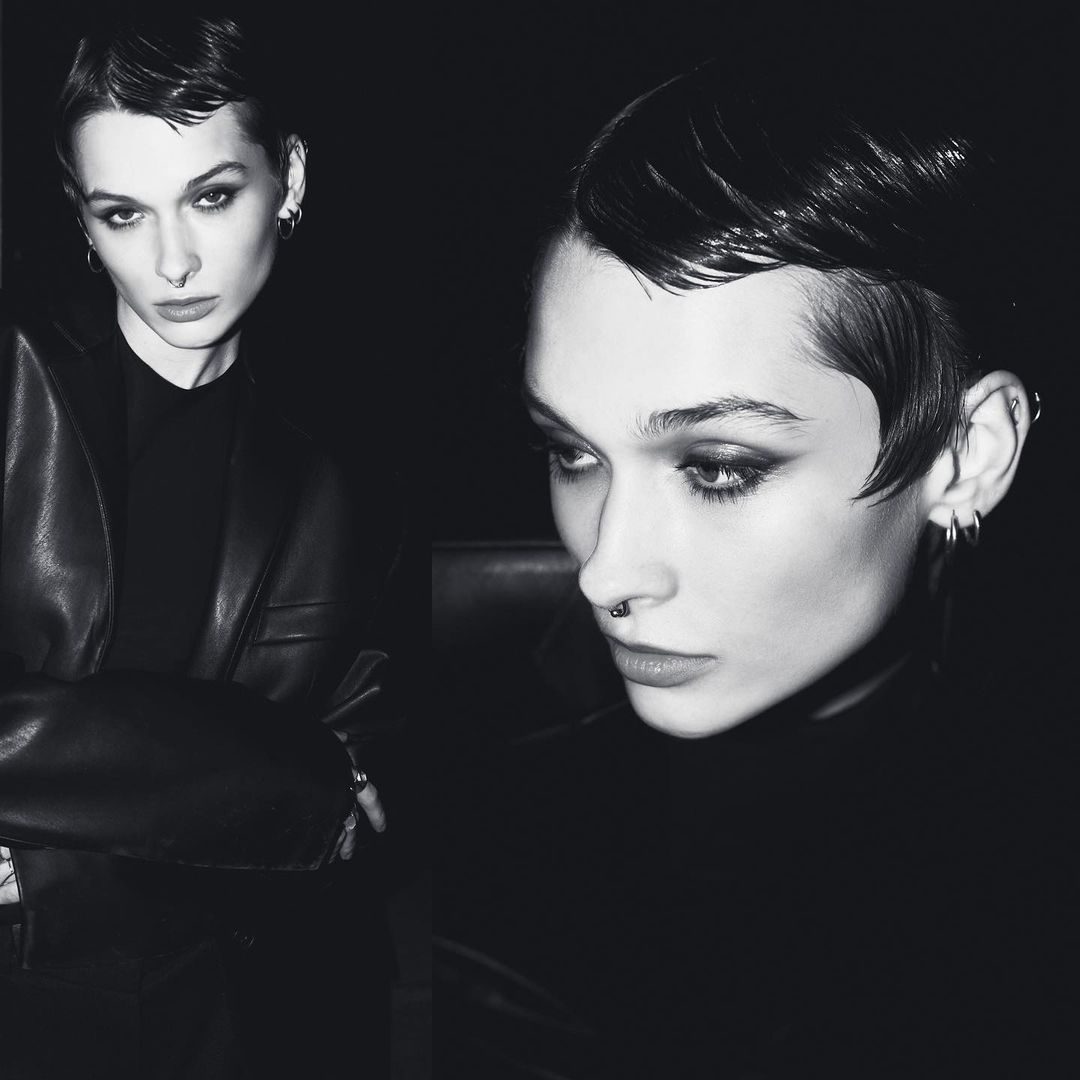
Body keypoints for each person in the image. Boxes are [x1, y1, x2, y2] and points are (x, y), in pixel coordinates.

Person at [439, 61, 1075, 1077]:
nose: (606, 571)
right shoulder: (477, 841)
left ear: (966, 455)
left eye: (720, 469)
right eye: (571, 453)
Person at [0, 14, 399, 1079]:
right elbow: (304, 786)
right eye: (123, 213)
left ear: (290, 179)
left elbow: (364, 769)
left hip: (237, 1002)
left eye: (212, 197)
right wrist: (269, 782)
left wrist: (53, 837)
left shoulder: (337, 456)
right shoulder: (17, 377)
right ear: (83, 220)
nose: (173, 262)